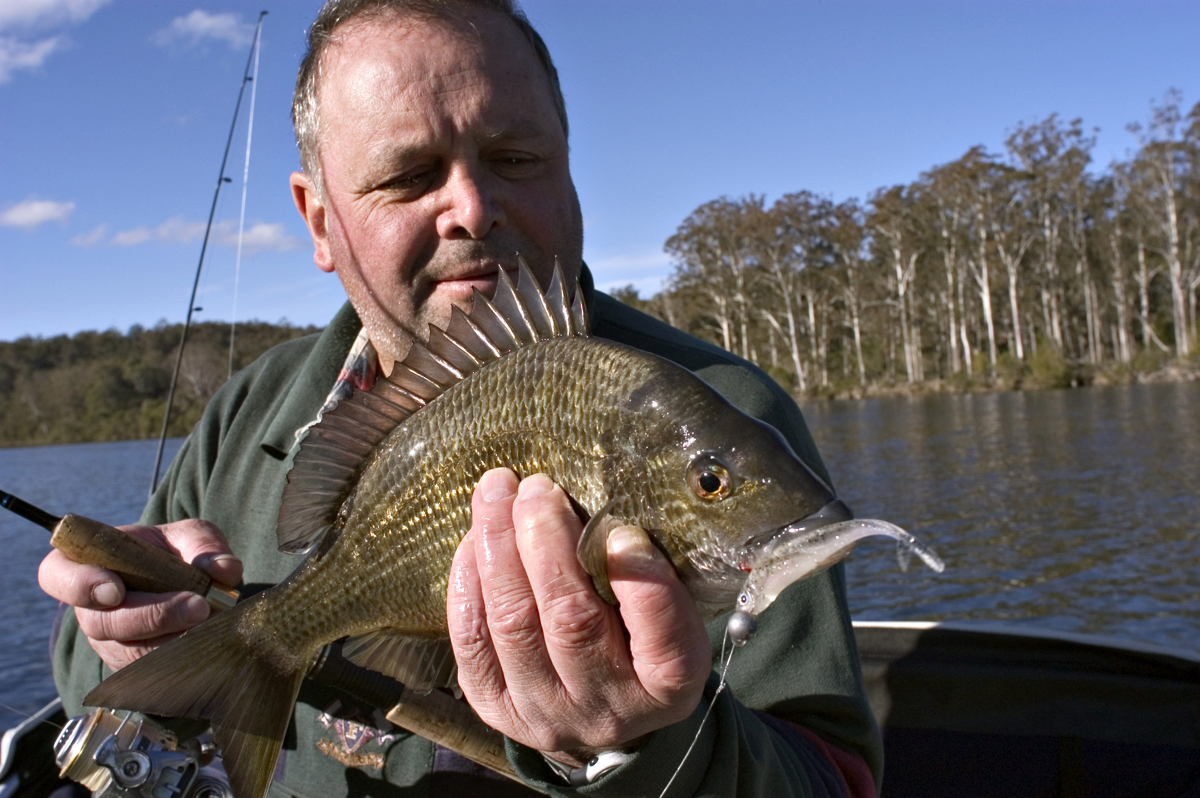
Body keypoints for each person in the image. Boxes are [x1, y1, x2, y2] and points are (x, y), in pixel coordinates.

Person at [39, 1, 882, 796]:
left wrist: (638, 748)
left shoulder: (724, 413)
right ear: (320, 221)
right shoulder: (246, 414)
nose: (473, 208)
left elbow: (831, 778)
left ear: (570, 170)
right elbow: (84, 688)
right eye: (407, 177)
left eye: (516, 159)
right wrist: (115, 634)